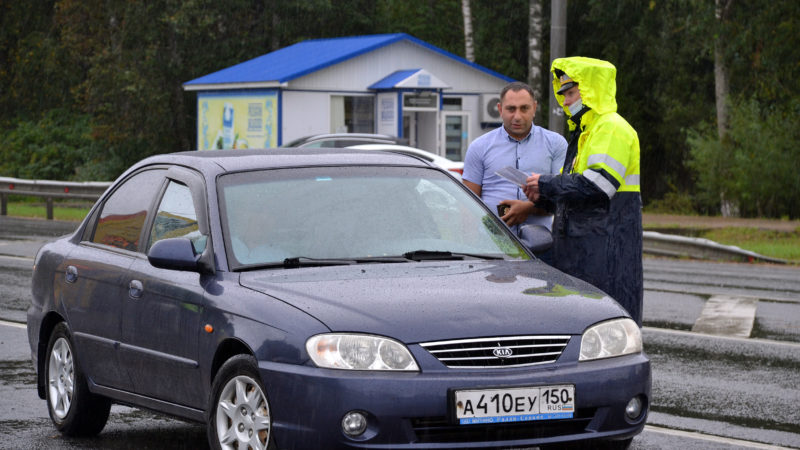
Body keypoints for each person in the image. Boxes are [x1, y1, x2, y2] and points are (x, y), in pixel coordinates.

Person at [523, 57, 643, 325]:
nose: (564, 101)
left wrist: (546, 184)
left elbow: (599, 187)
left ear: (590, 90)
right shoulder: (585, 132)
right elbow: (577, 197)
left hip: (605, 254)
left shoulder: (611, 128)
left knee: (606, 331)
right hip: (583, 252)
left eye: (570, 93)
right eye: (563, 94)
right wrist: (544, 196)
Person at [462, 82, 567, 242]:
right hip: (492, 245)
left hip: (542, 244)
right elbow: (468, 204)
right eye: (511, 109)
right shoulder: (479, 147)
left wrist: (529, 209)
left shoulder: (556, 144)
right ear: (500, 109)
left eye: (524, 108)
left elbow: (563, 197)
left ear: (534, 108)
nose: (517, 116)